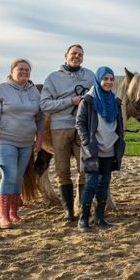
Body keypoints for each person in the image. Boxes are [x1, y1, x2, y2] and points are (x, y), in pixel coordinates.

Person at [0, 59, 44, 229]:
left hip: (26, 143)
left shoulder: (34, 92)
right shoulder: (0, 89)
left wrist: (39, 137)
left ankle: (14, 213)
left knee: (18, 176)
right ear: (12, 71)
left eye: (27, 70)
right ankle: (3, 216)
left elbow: (40, 117)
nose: (24, 72)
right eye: (20, 69)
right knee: (10, 174)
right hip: (4, 140)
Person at [40, 44, 94, 222]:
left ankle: (81, 209)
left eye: (80, 54)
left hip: (83, 128)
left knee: (84, 169)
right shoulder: (53, 78)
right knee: (62, 171)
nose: (76, 57)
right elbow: (45, 104)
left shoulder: (90, 76)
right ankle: (68, 211)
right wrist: (70, 101)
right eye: (73, 54)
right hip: (60, 127)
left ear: (83, 58)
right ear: (66, 56)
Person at [75, 66, 125, 232]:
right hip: (94, 150)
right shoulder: (88, 101)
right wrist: (87, 141)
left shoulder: (115, 101)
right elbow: (80, 123)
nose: (109, 82)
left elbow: (120, 125)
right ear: (98, 80)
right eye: (105, 79)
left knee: (104, 184)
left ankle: (100, 218)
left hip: (110, 150)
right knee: (91, 184)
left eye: (111, 79)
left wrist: (120, 141)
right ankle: (83, 219)